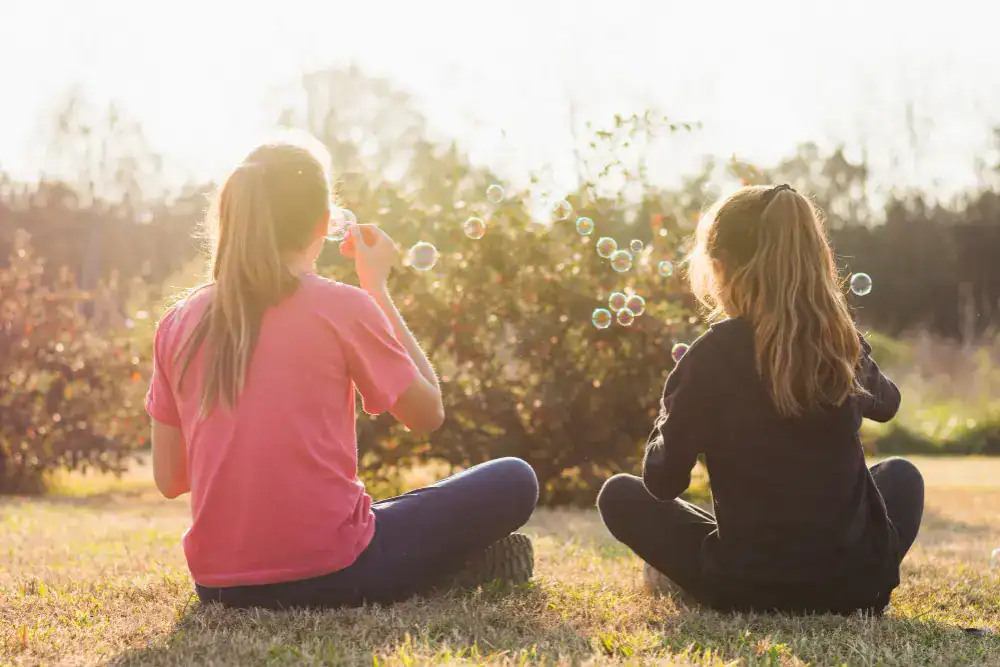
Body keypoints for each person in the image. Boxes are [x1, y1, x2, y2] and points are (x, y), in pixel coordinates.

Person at [145, 140, 538, 610]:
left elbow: (170, 478)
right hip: (334, 571)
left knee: (379, 515)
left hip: (220, 586)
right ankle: (454, 566)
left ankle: (445, 565)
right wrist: (376, 288)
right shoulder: (344, 306)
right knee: (515, 479)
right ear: (323, 223)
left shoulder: (178, 323)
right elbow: (427, 413)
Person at [597, 184, 924, 615]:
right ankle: (845, 576)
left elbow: (662, 482)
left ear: (720, 267)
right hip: (858, 588)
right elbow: (889, 404)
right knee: (902, 475)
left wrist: (668, 417)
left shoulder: (710, 357)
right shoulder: (838, 344)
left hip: (748, 589)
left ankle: (714, 570)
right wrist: (850, 350)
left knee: (618, 494)